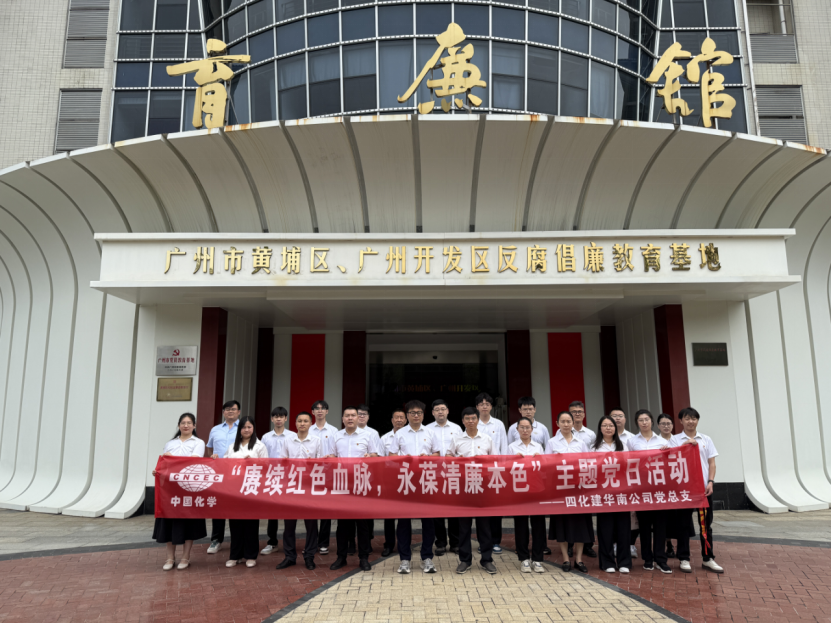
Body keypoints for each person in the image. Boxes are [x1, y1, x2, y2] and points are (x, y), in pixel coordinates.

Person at [152, 413, 207, 570]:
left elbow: (193, 462)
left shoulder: (199, 442)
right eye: (183, 423)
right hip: (170, 489)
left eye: (189, 423)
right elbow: (164, 464)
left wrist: (171, 458)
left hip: (189, 488)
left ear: (194, 426)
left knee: (188, 522)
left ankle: (185, 557)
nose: (186, 425)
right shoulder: (170, 443)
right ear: (178, 425)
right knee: (169, 521)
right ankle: (170, 558)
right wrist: (158, 471)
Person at [671, 407, 723, 574]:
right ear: (681, 421)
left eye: (694, 418)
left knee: (706, 525)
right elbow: (671, 459)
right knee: (683, 524)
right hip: (685, 490)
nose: (691, 421)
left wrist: (711, 482)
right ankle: (684, 558)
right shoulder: (675, 440)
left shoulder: (706, 439)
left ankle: (708, 558)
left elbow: (712, 463)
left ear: (697, 420)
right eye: (687, 418)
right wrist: (685, 446)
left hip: (703, 489)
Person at [391, 400, 438, 575]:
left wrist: (429, 457)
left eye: (419, 412)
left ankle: (427, 557)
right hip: (406, 480)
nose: (416, 415)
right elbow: (391, 455)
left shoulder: (431, 433)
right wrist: (402, 459)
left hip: (426, 480)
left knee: (428, 521)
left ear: (423, 415)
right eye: (412, 413)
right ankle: (405, 559)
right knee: (404, 521)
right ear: (407, 415)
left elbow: (437, 454)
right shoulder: (400, 434)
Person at [448, 407, 497, 575]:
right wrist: (457, 459)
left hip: (483, 487)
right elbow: (448, 457)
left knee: (484, 526)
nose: (470, 421)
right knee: (464, 526)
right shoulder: (456, 439)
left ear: (478, 420)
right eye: (467, 418)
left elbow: (495, 460)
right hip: (463, 487)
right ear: (463, 421)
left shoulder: (487, 439)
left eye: (473, 418)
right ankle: (465, 560)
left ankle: (487, 560)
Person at [328, 406, 377, 572]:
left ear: (358, 418)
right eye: (347, 415)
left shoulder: (368, 435)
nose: (350, 418)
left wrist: (370, 457)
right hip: (342, 484)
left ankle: (364, 558)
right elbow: (332, 456)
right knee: (342, 524)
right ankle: (341, 557)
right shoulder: (336, 436)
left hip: (361, 483)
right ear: (343, 419)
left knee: (362, 524)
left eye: (353, 415)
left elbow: (375, 456)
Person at [546, 411, 592, 573]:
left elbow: (588, 464)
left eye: (568, 421)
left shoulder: (581, 443)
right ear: (557, 424)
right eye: (563, 421)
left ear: (573, 423)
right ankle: (566, 558)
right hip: (560, 489)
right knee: (562, 523)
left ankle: (579, 559)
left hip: (578, 489)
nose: (566, 424)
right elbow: (546, 465)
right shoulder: (551, 442)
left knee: (580, 523)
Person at [276, 411, 321, 571]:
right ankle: (289, 557)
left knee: (311, 524)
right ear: (295, 423)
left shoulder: (317, 441)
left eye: (305, 421)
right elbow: (282, 462)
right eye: (300, 421)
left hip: (310, 487)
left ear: (310, 424)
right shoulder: (288, 440)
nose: (302, 424)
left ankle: (309, 556)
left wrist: (313, 463)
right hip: (291, 486)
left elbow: (323, 464)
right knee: (289, 524)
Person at [222, 415, 268, 568]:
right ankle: (235, 555)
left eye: (249, 427)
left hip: (252, 490)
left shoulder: (259, 446)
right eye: (243, 427)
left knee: (250, 524)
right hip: (234, 490)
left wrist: (254, 462)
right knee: (235, 524)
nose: (246, 430)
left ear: (253, 428)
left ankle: (250, 555)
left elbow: (267, 467)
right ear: (239, 429)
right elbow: (224, 465)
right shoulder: (232, 446)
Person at [629, 409, 672, 574]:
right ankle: (647, 559)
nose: (644, 422)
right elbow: (628, 462)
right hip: (641, 489)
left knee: (660, 525)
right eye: (640, 420)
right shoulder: (632, 441)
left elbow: (672, 462)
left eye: (646, 419)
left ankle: (661, 559)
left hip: (659, 489)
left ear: (652, 422)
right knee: (644, 526)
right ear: (637, 423)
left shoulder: (662, 441)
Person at [591, 415, 632, 574]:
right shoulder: (594, 447)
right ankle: (607, 562)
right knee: (605, 529)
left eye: (611, 425)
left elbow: (629, 466)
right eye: (605, 425)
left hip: (621, 493)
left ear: (615, 428)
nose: (608, 428)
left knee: (623, 529)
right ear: (600, 428)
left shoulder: (623, 446)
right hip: (603, 494)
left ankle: (624, 562)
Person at [508, 416, 546, 574]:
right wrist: (514, 460)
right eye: (522, 427)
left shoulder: (538, 446)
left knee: (538, 525)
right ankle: (523, 558)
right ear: (517, 430)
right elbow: (505, 469)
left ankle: (537, 559)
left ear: (532, 429)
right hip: (519, 491)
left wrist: (540, 460)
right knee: (521, 525)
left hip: (537, 490)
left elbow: (545, 468)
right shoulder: (511, 447)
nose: (525, 430)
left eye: (527, 427)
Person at [426, 399, 462, 556]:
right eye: (437, 409)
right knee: (437, 511)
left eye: (443, 409)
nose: (440, 412)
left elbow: (461, 449)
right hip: (433, 473)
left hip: (453, 472)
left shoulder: (457, 428)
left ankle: (455, 543)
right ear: (432, 413)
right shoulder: (427, 429)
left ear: (448, 411)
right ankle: (440, 543)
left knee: (454, 510)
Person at [205, 400, 241, 555]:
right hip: (218, 473)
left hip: (237, 473)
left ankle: (237, 540)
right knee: (218, 506)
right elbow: (210, 449)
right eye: (227, 409)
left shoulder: (244, 428)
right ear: (223, 412)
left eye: (233, 409)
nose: (230, 411)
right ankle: (216, 539)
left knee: (235, 506)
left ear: (239, 412)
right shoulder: (215, 429)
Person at [261, 406, 297, 556]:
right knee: (272, 511)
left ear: (286, 419)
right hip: (272, 477)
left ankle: (290, 542)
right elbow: (262, 457)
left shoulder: (293, 436)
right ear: (272, 419)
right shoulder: (266, 437)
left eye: (281, 416)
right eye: (276, 416)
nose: (278, 419)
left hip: (289, 477)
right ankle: (272, 542)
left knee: (290, 511)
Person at [475, 392, 507, 554]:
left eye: (487, 404)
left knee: (496, 508)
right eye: (481, 404)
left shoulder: (499, 424)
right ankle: (483, 542)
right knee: (481, 509)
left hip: (496, 471)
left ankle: (495, 541)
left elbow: (504, 447)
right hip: (478, 473)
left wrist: (504, 469)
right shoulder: (473, 423)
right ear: (477, 407)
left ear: (491, 406)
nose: (484, 406)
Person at [349, 404, 383, 555]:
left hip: (366, 477)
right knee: (349, 513)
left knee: (367, 513)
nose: (361, 416)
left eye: (364, 414)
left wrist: (371, 457)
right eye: (359, 414)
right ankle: (350, 542)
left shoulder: (373, 433)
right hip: (349, 478)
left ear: (368, 417)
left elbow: (377, 455)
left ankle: (367, 541)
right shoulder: (345, 432)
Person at [568, 400, 596, 559]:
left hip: (585, 477)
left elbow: (593, 456)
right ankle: (570, 544)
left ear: (584, 414)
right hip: (568, 478)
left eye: (579, 411)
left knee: (586, 512)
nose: (577, 414)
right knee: (570, 511)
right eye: (573, 412)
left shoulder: (590, 434)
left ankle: (588, 545)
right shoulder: (561, 432)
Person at [309, 399, 338, 555]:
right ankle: (311, 543)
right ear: (313, 412)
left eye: (323, 408)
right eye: (317, 408)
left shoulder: (334, 431)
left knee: (326, 510)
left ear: (327, 411)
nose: (319, 411)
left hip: (328, 474)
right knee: (312, 509)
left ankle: (323, 543)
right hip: (311, 474)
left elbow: (336, 452)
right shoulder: (308, 429)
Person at [609, 406, 637, 559]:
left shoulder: (631, 438)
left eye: (620, 416)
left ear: (625, 419)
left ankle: (630, 543)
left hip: (627, 482)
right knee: (612, 513)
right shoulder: (603, 438)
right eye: (614, 416)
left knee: (631, 515)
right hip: (609, 483)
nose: (617, 418)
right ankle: (614, 543)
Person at [379, 408, 408, 557]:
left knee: (405, 513)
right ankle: (389, 544)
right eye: (396, 417)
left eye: (402, 418)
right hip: (390, 479)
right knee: (389, 514)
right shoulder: (384, 438)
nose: (399, 420)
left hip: (408, 479)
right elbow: (379, 460)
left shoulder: (410, 436)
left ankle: (404, 544)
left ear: (406, 420)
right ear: (392, 420)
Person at [656, 413, 679, 559]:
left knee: (674, 516)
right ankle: (665, 543)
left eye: (668, 423)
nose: (666, 426)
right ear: (658, 426)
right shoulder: (655, 441)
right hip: (659, 484)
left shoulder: (678, 441)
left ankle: (673, 543)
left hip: (676, 483)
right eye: (663, 424)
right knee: (662, 517)